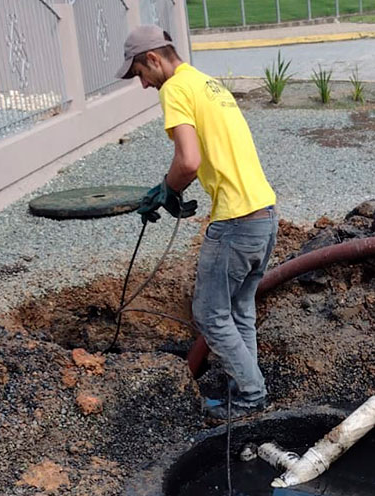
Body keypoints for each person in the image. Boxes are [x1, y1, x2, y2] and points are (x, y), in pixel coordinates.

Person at [116, 25, 277, 419]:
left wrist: (166, 190)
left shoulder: (174, 89)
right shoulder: (207, 84)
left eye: (140, 73)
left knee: (209, 314)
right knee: (240, 310)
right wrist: (174, 188)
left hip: (236, 220)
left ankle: (252, 396)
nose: (143, 84)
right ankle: (247, 390)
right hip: (265, 214)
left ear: (154, 59)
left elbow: (188, 160)